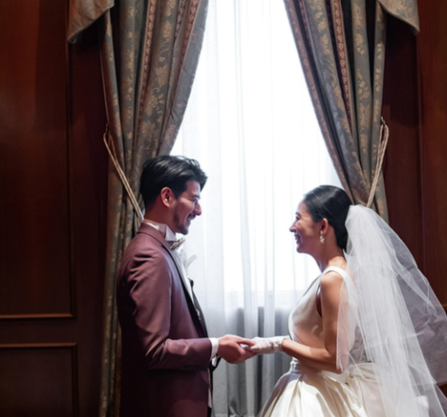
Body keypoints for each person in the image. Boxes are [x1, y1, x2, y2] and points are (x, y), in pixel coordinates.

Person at [251, 185, 447, 417]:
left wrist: (279, 344)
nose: (292, 227)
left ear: (323, 226)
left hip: (317, 393)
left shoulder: (333, 279)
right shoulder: (334, 275)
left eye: (298, 218)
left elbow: (336, 360)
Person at [117, 155, 254, 417]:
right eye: (193, 199)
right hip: (166, 406)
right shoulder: (149, 256)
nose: (198, 210)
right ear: (167, 196)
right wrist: (216, 346)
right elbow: (155, 350)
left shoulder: (159, 249)